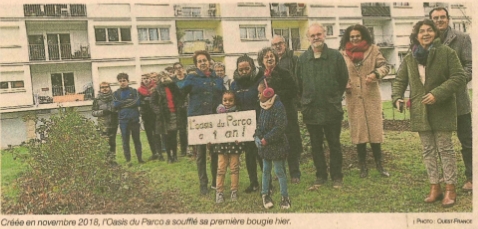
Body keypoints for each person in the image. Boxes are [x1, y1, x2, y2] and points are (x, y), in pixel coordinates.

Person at [392, 19, 466, 208]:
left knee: (445, 149)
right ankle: (435, 187)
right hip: (420, 111)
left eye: (429, 30)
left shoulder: (447, 53)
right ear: (416, 36)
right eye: (421, 31)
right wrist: (397, 98)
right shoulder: (410, 57)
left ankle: (450, 188)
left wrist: (437, 94)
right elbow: (400, 80)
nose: (425, 34)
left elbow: (459, 76)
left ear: (435, 33)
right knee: (428, 150)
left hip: (442, 109)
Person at [297, 23, 349, 189]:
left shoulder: (336, 57)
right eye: (312, 35)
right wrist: (306, 101)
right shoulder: (303, 59)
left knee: (334, 144)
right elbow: (299, 84)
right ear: (308, 38)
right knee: (316, 145)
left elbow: (343, 80)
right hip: (311, 109)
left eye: (318, 34)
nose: (316, 38)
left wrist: (333, 97)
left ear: (324, 35)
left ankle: (336, 177)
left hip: (331, 108)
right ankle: (320, 176)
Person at [429, 7, 473, 191]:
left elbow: (470, 67)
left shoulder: (462, 38)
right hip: (437, 101)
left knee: (467, 140)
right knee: (441, 142)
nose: (439, 20)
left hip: (458, 99)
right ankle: (445, 176)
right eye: (435, 18)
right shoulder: (427, 40)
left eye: (442, 17)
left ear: (448, 18)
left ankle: (471, 176)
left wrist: (450, 85)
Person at [339, 24, 390, 178]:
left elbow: (385, 66)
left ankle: (380, 165)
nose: (354, 39)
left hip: (371, 96)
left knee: (375, 131)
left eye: (357, 36)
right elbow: (339, 73)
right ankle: (363, 167)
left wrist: (376, 74)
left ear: (363, 36)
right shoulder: (343, 54)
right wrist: (344, 82)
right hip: (353, 97)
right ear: (348, 38)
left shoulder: (373, 50)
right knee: (359, 132)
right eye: (352, 36)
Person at [179, 50, 226, 195]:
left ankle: (214, 181)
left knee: (215, 152)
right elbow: (180, 92)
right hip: (198, 120)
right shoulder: (191, 78)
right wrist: (183, 79)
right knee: (200, 154)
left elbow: (223, 95)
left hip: (213, 120)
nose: (203, 63)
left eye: (204, 60)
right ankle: (203, 184)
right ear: (196, 64)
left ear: (209, 61)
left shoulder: (217, 79)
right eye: (199, 61)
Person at [257, 47, 303, 184]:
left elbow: (294, 90)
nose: (270, 58)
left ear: (276, 59)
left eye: (272, 56)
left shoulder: (285, 73)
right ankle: (280, 172)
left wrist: (276, 95)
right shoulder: (261, 77)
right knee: (276, 142)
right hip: (271, 116)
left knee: (291, 142)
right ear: (262, 61)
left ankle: (295, 173)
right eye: (266, 57)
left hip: (287, 112)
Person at [230, 54, 264, 193]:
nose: (244, 72)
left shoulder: (260, 80)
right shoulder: (233, 84)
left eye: (247, 69)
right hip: (244, 126)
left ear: (252, 67)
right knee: (249, 155)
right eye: (241, 70)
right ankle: (253, 183)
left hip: (260, 122)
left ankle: (267, 183)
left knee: (261, 154)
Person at [255, 80, 291, 210]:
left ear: (267, 92)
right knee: (265, 171)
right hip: (265, 145)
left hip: (276, 144)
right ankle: (265, 194)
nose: (258, 95)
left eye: (260, 93)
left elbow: (280, 126)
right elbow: (259, 124)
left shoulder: (278, 106)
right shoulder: (263, 106)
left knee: (279, 171)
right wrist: (257, 136)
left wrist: (267, 139)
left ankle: (285, 197)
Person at [213, 91, 243, 203]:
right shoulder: (218, 113)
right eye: (225, 100)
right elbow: (212, 128)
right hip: (222, 145)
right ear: (221, 100)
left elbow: (242, 127)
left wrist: (241, 138)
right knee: (221, 168)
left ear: (234, 101)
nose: (227, 102)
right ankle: (219, 192)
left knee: (234, 168)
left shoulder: (238, 113)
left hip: (234, 144)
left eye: (230, 100)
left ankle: (234, 191)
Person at [151, 71, 183, 163]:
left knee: (174, 136)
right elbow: (153, 103)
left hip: (174, 114)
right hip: (164, 116)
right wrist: (158, 111)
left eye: (166, 76)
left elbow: (180, 96)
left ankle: (175, 155)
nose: (164, 78)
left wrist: (172, 83)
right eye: (162, 77)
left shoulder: (173, 86)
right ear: (159, 79)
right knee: (166, 137)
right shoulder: (157, 89)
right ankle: (169, 156)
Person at [113, 73, 145, 164]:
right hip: (123, 120)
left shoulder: (134, 91)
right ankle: (128, 160)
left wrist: (123, 103)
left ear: (128, 81)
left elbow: (137, 102)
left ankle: (140, 158)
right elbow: (116, 104)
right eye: (120, 81)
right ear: (118, 82)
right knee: (125, 141)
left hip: (134, 119)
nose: (122, 83)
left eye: (124, 80)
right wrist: (129, 102)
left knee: (137, 140)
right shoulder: (116, 93)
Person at [138, 73, 164, 161]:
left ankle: (160, 153)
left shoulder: (156, 88)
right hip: (146, 115)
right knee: (149, 135)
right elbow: (139, 102)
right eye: (144, 78)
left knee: (157, 134)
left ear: (150, 79)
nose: (146, 80)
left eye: (147, 78)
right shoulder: (139, 90)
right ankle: (154, 153)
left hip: (155, 114)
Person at [92, 82, 119, 165]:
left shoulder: (115, 98)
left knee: (112, 142)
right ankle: (106, 161)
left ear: (109, 88)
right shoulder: (97, 100)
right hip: (103, 124)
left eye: (106, 87)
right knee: (104, 143)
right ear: (100, 89)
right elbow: (93, 112)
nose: (104, 89)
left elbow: (119, 108)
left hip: (113, 123)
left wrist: (115, 111)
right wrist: (103, 112)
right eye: (102, 87)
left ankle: (112, 160)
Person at [172, 62, 190, 157]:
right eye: (176, 68)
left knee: (191, 128)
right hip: (178, 107)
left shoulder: (189, 78)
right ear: (174, 71)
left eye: (180, 68)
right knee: (182, 129)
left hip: (190, 106)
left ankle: (193, 149)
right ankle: (184, 149)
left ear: (183, 68)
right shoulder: (172, 81)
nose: (179, 70)